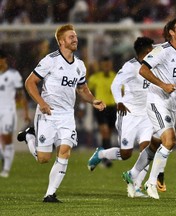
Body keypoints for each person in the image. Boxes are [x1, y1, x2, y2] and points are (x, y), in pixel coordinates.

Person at [17, 24, 106, 203]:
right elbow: (30, 83)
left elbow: (82, 89)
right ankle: (29, 137)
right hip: (48, 114)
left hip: (66, 115)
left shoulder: (80, 65)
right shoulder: (50, 60)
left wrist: (93, 100)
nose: (75, 39)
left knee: (65, 151)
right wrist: (41, 103)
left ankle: (50, 194)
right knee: (43, 159)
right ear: (61, 42)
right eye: (71, 37)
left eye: (75, 36)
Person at [122, 18, 176, 199]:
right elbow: (143, 70)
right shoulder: (161, 50)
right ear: (171, 33)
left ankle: (133, 174)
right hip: (157, 101)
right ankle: (151, 183)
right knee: (170, 140)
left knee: (155, 144)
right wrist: (162, 85)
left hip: (172, 103)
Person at [88, 37, 155, 198]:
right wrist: (119, 102)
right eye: (151, 50)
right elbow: (116, 84)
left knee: (148, 150)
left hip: (146, 115)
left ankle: (137, 186)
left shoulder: (155, 65)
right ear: (145, 52)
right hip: (128, 114)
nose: (153, 53)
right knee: (126, 154)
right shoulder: (130, 66)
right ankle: (101, 154)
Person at [0, 49, 30, 178]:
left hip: (8, 111)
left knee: (7, 140)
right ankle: (4, 158)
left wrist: (26, 112)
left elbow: (21, 95)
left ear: (3, 59)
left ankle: (6, 169)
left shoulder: (14, 75)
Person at [88, 56, 117, 168]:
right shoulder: (94, 78)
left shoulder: (115, 77)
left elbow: (123, 92)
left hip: (112, 108)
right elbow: (86, 91)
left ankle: (101, 154)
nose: (106, 67)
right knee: (104, 132)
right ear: (101, 65)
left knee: (108, 134)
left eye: (108, 64)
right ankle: (106, 160)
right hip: (101, 108)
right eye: (104, 65)